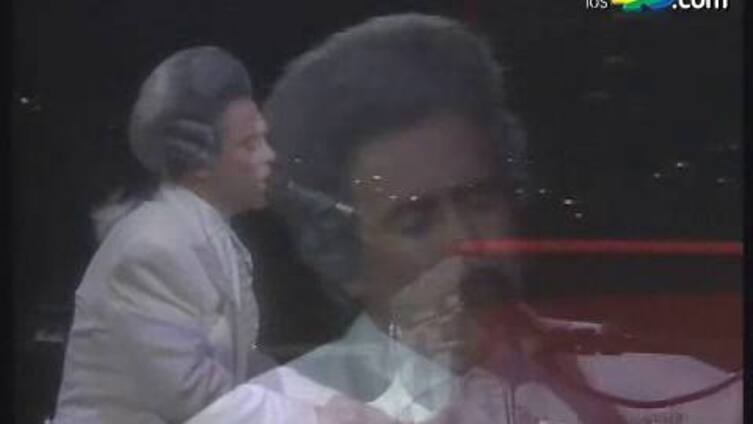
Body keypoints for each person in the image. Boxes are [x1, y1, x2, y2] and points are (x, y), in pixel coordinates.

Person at [53, 46, 276, 424]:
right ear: (199, 160)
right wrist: (315, 413)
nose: (269, 156)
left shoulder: (212, 238)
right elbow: (197, 397)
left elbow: (242, 367)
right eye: (249, 144)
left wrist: (323, 395)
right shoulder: (152, 248)